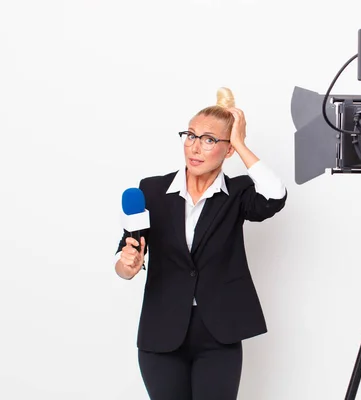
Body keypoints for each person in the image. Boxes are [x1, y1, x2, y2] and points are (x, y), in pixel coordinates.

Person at [114, 87, 287, 400]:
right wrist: (128, 265)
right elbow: (127, 258)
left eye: (209, 140)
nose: (194, 147)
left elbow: (275, 195)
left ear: (228, 149)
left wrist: (240, 142)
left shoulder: (239, 193)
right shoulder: (152, 191)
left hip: (218, 334)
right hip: (161, 334)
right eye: (190, 135)